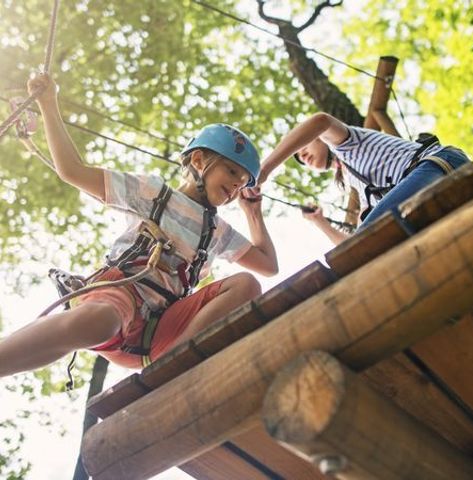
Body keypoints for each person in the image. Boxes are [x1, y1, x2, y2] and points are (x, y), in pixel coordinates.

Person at [0, 73, 278, 376]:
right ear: (198, 160)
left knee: (246, 285)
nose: (236, 186)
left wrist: (253, 213)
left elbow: (267, 266)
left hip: (162, 329)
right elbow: (71, 170)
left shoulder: (217, 232)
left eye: (241, 184)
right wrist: (49, 104)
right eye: (231, 171)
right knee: (100, 321)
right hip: (120, 297)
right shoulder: (152, 193)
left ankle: (175, 363)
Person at [258, 112, 472, 245]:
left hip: (438, 163)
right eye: (301, 162)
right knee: (365, 244)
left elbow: (320, 121)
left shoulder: (347, 144)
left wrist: (265, 169)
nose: (303, 157)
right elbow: (354, 245)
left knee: (369, 237)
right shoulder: (361, 189)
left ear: (320, 139)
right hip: (429, 180)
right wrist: (320, 223)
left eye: (303, 148)